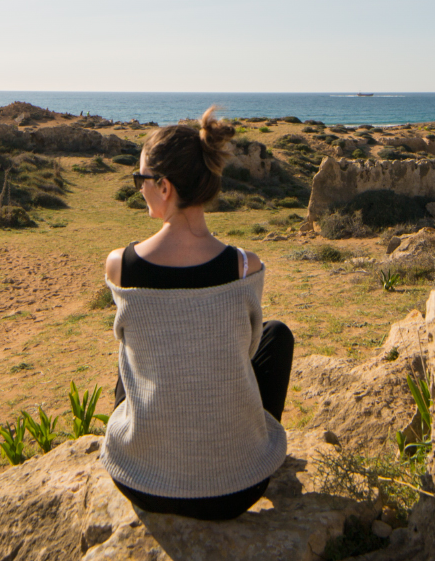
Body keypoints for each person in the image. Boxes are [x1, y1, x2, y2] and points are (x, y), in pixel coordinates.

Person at [99, 107, 293, 521]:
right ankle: (244, 449)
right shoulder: (247, 266)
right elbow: (247, 349)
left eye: (141, 180)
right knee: (277, 336)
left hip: (143, 483)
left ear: (164, 186)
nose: (139, 190)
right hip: (238, 489)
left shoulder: (121, 265)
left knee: (130, 349)